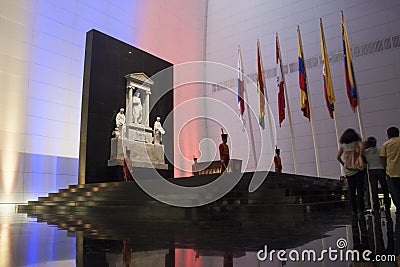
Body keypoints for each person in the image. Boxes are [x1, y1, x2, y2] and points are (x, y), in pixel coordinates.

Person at [337, 128, 365, 215]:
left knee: (351, 190)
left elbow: (338, 157)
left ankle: (354, 210)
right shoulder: (357, 143)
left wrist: (344, 164)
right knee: (360, 189)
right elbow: (362, 154)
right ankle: (361, 209)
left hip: (348, 170)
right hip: (358, 169)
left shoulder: (343, 145)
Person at [363, 136, 391, 215]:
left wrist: (365, 144)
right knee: (385, 187)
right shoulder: (381, 149)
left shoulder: (365, 152)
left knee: (374, 189)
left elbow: (360, 151)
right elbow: (384, 159)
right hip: (381, 169)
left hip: (371, 171)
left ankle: (376, 205)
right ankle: (387, 203)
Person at [380, 126, 400, 214]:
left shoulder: (386, 144)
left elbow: (383, 158)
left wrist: (384, 169)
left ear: (388, 135)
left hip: (391, 171)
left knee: (394, 191)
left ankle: (399, 208)